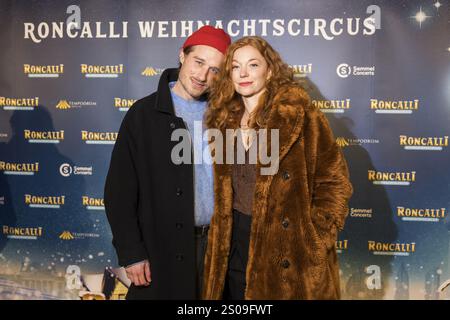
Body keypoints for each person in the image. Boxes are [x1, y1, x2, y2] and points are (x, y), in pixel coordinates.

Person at [202, 36, 353, 300]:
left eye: (253, 65)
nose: (244, 74)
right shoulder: (225, 120)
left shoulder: (300, 114)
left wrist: (314, 238)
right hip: (234, 238)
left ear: (270, 70)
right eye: (236, 67)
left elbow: (334, 179)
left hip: (287, 247)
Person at [104, 26, 231, 299]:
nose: (203, 76)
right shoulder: (143, 114)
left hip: (217, 251)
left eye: (215, 70)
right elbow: (119, 192)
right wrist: (132, 253)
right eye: (199, 62)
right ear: (182, 55)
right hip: (159, 250)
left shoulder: (226, 115)